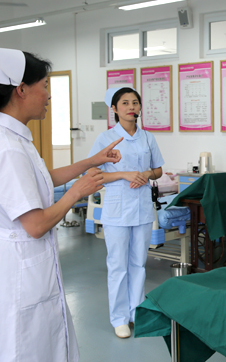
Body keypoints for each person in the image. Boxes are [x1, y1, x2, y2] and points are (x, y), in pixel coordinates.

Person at [0, 48, 121, 361]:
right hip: (20, 268)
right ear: (21, 89)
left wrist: (91, 161)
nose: (48, 95)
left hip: (28, 268)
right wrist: (76, 192)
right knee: (26, 346)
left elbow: (42, 179)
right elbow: (36, 224)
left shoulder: (17, 139)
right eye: (44, 86)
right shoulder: (8, 147)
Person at [88, 87, 164, 339]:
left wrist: (146, 174)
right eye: (125, 103)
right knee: (118, 265)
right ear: (114, 108)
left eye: (135, 102)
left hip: (142, 208)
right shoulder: (106, 138)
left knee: (138, 264)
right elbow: (93, 173)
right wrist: (123, 174)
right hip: (117, 209)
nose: (131, 107)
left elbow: (158, 170)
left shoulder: (147, 138)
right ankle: (119, 318)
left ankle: (136, 313)